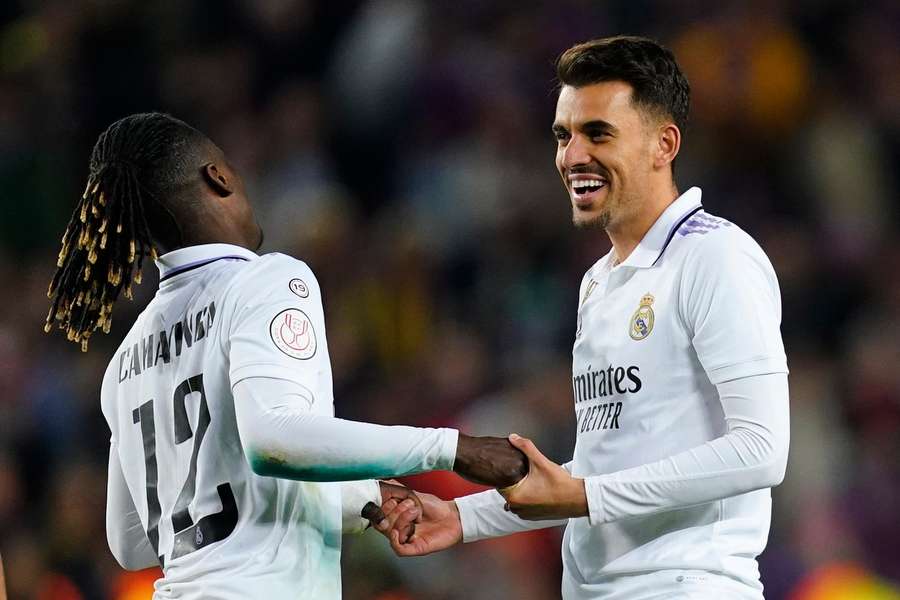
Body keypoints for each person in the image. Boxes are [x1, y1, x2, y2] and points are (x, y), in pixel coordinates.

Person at [44, 112, 527, 599]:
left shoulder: (125, 359)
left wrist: (365, 495)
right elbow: (273, 438)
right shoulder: (263, 279)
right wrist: (452, 449)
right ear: (219, 174)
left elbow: (132, 542)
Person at [376, 35, 790, 600]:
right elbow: (604, 469)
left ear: (663, 144)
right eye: (563, 135)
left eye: (598, 133)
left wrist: (586, 496)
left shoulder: (715, 256)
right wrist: (463, 517)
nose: (573, 156)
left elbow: (761, 449)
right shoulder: (599, 282)